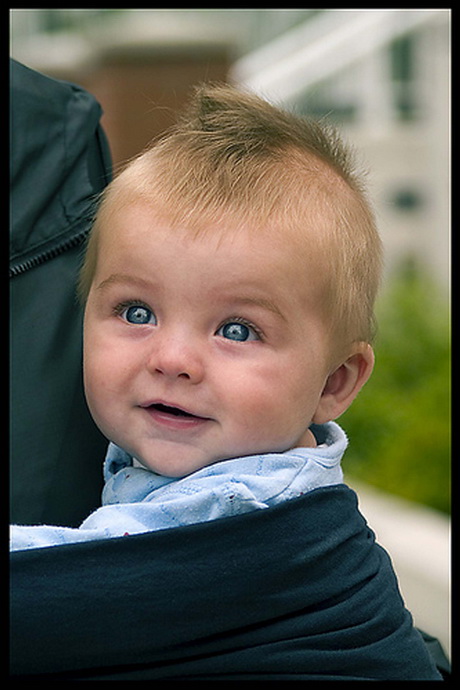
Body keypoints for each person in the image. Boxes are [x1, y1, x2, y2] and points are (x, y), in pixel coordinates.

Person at [10, 83, 443, 680]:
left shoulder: (243, 507)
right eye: (137, 312)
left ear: (334, 381)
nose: (173, 359)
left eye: (237, 330)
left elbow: (46, 597)